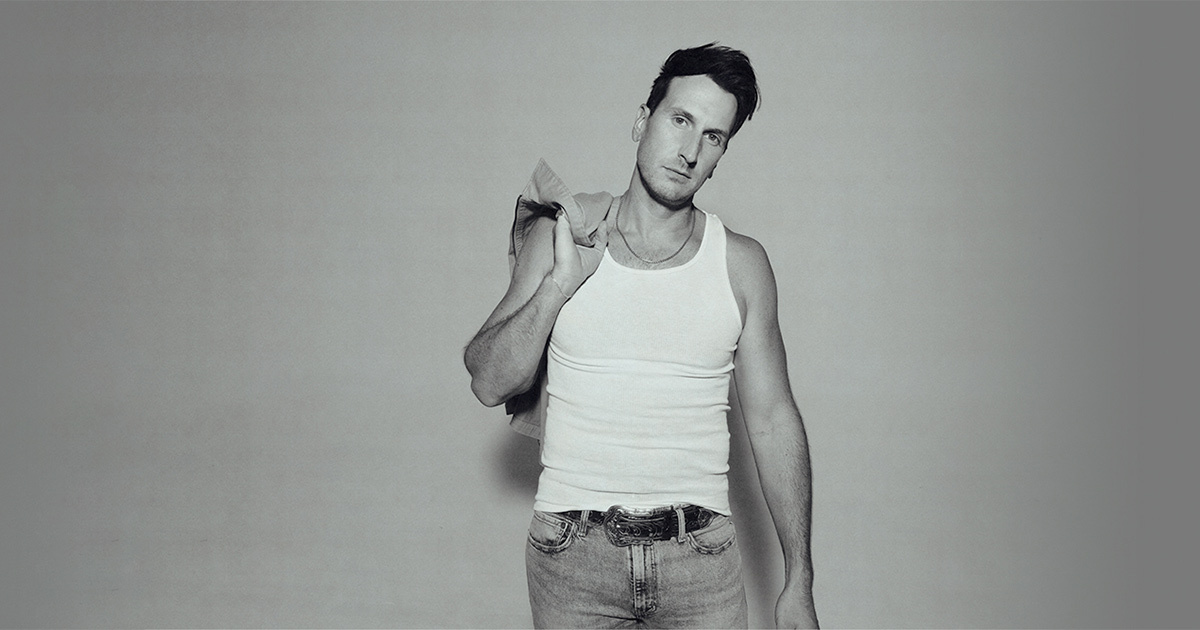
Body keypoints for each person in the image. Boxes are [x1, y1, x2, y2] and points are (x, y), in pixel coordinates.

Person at [465, 43, 817, 629]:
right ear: (641, 121)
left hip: (701, 559)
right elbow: (488, 380)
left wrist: (798, 578)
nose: (690, 150)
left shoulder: (741, 265)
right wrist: (558, 286)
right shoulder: (565, 237)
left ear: (721, 155)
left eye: (712, 136)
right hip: (571, 555)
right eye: (680, 120)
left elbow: (773, 420)